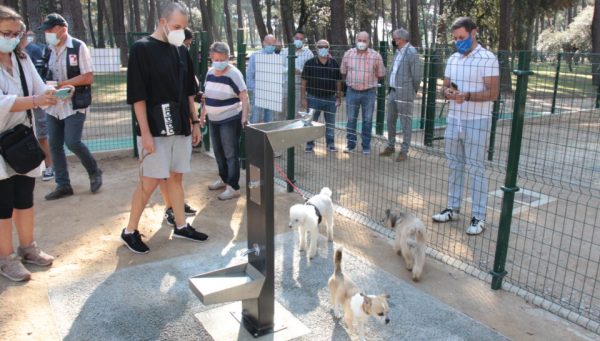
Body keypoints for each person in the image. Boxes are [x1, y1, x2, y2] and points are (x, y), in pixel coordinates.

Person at [124, 2, 207, 254]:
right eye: (176, 26)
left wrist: (194, 123)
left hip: (180, 126)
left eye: (184, 27)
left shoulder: (181, 51)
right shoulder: (142, 49)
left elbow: (189, 93)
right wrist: (145, 133)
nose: (180, 31)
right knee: (148, 182)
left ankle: (181, 226)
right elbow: (138, 95)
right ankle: (129, 231)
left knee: (176, 177)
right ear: (162, 22)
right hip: (155, 130)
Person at [0, 6, 58, 282]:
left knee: (24, 198)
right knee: (3, 204)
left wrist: (51, 92)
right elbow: (3, 104)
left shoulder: (21, 58)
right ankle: (5, 258)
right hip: (1, 143)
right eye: (6, 33)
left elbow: (38, 86)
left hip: (22, 140)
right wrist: (36, 101)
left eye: (15, 33)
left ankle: (28, 248)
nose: (12, 38)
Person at [432, 17, 499, 235]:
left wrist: (467, 96)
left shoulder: (487, 58)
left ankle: (479, 217)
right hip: (454, 119)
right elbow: (446, 85)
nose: (458, 41)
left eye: (461, 37)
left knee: (476, 169)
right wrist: (449, 92)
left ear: (473, 33)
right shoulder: (453, 59)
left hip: (477, 121)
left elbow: (493, 92)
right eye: (455, 38)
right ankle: (453, 207)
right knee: (454, 166)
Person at [39, 13, 103, 200]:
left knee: (72, 141)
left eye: (50, 29)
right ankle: (63, 185)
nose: (47, 33)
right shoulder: (48, 49)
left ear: (62, 28)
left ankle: (94, 171)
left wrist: (63, 84)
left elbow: (88, 76)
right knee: (55, 145)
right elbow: (44, 74)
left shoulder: (78, 47)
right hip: (53, 106)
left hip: (74, 104)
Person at [201, 42, 249, 200]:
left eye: (222, 59)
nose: (218, 62)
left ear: (228, 57)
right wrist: (202, 115)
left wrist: (244, 116)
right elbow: (205, 96)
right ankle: (223, 179)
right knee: (218, 152)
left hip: (230, 118)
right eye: (215, 58)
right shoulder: (210, 72)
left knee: (230, 153)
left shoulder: (234, 74)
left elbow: (244, 96)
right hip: (213, 119)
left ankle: (233, 186)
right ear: (211, 57)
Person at [340, 31, 385, 154]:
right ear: (356, 40)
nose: (362, 43)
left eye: (364, 41)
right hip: (352, 92)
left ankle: (366, 145)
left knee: (368, 119)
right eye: (360, 40)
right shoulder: (348, 54)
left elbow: (381, 74)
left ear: (369, 42)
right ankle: (350, 144)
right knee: (351, 119)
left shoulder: (375, 56)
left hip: (369, 92)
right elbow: (343, 71)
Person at [380, 28, 421, 162]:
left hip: (405, 93)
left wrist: (412, 91)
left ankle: (404, 151)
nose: (393, 40)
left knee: (405, 123)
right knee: (390, 120)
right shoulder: (398, 51)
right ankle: (391, 146)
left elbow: (416, 76)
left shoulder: (411, 52)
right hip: (392, 91)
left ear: (401, 39)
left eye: (395, 38)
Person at [20, 28, 54, 179]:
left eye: (17, 34)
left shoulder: (28, 55)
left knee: (41, 135)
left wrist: (52, 92)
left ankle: (49, 166)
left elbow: (41, 84)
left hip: (37, 103)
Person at [300, 39, 342, 153]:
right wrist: (303, 98)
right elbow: (303, 82)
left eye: (325, 46)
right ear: (316, 48)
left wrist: (338, 96)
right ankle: (309, 144)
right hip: (313, 98)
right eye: (320, 47)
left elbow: (338, 81)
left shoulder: (334, 63)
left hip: (330, 98)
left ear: (329, 48)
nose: (323, 49)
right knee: (311, 122)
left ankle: (330, 144)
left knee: (331, 123)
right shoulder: (309, 63)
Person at [281, 30, 314, 116]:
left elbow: (311, 70)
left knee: (297, 112)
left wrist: (300, 72)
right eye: (297, 38)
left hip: (299, 86)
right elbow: (279, 66)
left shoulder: (308, 53)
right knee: (282, 111)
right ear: (293, 38)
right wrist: (289, 69)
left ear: (304, 40)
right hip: (285, 84)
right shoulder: (285, 51)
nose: (298, 40)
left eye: (301, 39)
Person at [247, 34, 277, 124]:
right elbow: (249, 74)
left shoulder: (277, 57)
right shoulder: (255, 55)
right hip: (258, 91)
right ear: (264, 43)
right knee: (255, 118)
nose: (271, 46)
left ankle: (267, 137)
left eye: (273, 44)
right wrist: (254, 89)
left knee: (270, 119)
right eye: (269, 44)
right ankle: (253, 137)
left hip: (272, 92)